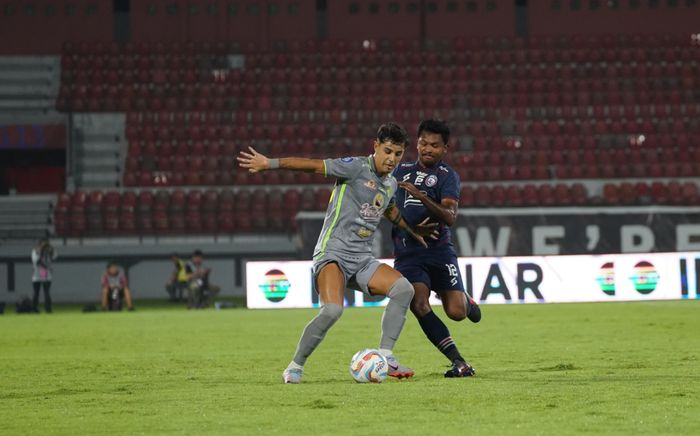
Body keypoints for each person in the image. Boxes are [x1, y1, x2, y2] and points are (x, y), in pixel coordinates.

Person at [238, 122, 437, 384]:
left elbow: (390, 210)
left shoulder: (390, 184)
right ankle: (295, 366)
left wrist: (413, 231)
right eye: (387, 151)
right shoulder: (354, 167)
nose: (392, 159)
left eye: (398, 154)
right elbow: (312, 165)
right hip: (333, 254)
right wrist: (270, 163)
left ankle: (386, 356)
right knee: (332, 311)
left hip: (362, 259)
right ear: (375, 146)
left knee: (404, 290)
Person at [391, 119, 482, 378]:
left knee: (456, 313)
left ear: (445, 149)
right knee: (418, 304)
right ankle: (459, 361)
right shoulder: (399, 171)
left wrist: (421, 196)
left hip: (440, 251)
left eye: (434, 145)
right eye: (423, 143)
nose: (427, 149)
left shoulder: (447, 176)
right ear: (416, 144)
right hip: (408, 253)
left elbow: (450, 216)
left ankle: (466, 300)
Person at [31, 238, 57, 313]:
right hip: (38, 273)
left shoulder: (48, 251)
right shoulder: (35, 251)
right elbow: (37, 262)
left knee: (46, 291)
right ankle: (34, 308)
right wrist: (48, 267)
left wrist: (51, 249)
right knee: (37, 292)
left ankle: (47, 308)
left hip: (44, 273)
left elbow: (55, 256)